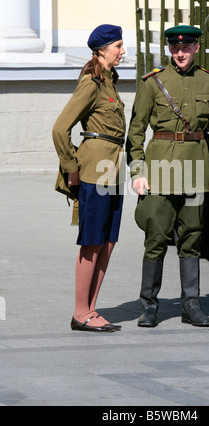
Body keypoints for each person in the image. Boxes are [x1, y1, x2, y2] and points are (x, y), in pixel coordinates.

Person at [126, 25, 209, 328]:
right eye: (174, 48)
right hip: (160, 172)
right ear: (169, 49)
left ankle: (191, 306)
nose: (180, 53)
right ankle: (149, 306)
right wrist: (138, 171)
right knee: (156, 237)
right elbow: (136, 131)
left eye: (186, 47)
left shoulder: (208, 82)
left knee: (192, 238)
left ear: (196, 47)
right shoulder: (153, 83)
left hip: (194, 170)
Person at [52, 24, 126, 332]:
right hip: (94, 170)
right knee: (91, 243)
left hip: (114, 170)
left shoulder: (109, 81)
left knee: (107, 242)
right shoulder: (91, 83)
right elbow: (60, 128)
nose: (123, 52)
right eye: (118, 46)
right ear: (102, 50)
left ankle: (91, 309)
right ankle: (80, 312)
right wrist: (71, 167)